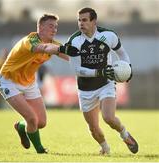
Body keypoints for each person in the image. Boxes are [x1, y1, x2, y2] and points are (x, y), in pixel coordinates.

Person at [37, 8, 138, 155]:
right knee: (93, 128)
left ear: (94, 21)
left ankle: (124, 134)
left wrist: (127, 68)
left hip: (105, 83)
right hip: (85, 89)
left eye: (84, 20)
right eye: (79, 20)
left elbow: (122, 53)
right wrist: (100, 71)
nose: (81, 23)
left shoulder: (108, 36)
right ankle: (105, 148)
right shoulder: (75, 41)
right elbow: (78, 70)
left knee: (108, 117)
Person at [0, 14, 77, 154]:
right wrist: (61, 49)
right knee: (32, 118)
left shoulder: (54, 44)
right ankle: (40, 150)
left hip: (28, 82)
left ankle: (21, 127)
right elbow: (44, 48)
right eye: (51, 26)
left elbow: (70, 57)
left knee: (41, 123)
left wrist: (85, 58)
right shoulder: (29, 41)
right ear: (40, 27)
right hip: (8, 81)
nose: (54, 30)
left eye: (56, 27)